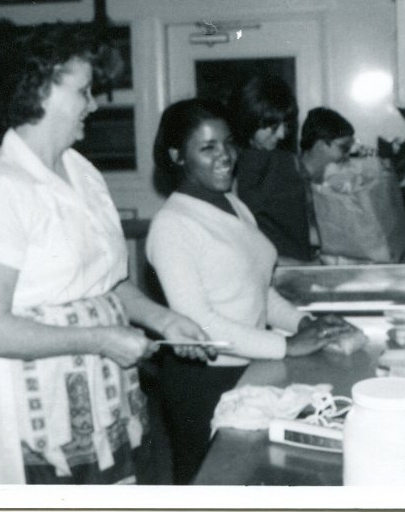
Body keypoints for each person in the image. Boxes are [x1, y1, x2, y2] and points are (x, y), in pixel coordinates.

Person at [0, 24, 212, 485]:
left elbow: (106, 283)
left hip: (104, 403)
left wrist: (162, 319)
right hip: (40, 415)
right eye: (84, 91)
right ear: (41, 90)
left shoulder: (82, 171)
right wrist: (101, 339)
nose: (94, 104)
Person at [146, 99, 349, 484]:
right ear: (176, 156)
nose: (224, 155)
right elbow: (199, 322)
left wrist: (305, 322)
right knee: (211, 488)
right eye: (207, 147)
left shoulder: (234, 205)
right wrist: (287, 346)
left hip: (253, 366)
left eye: (227, 143)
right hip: (204, 383)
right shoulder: (172, 225)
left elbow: (259, 290)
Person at [228, 75, 316, 264]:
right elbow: (239, 240)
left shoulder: (280, 160)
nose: (283, 135)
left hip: (293, 264)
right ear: (249, 120)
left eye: (286, 125)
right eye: (273, 127)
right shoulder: (232, 165)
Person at [299, 107, 356, 183]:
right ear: (320, 146)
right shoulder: (293, 183)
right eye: (344, 147)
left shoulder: (319, 178)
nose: (347, 155)